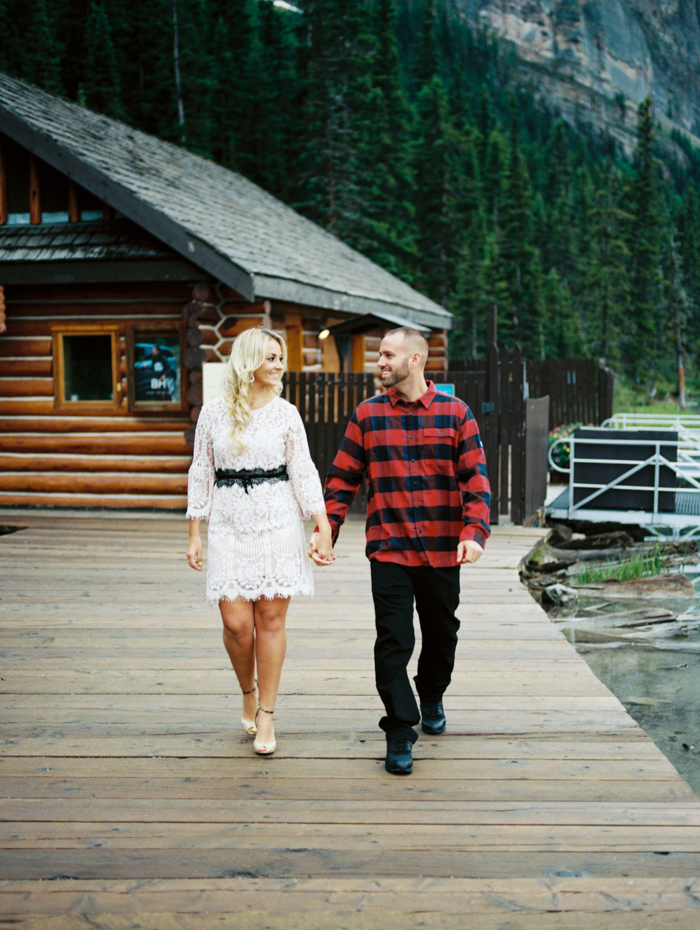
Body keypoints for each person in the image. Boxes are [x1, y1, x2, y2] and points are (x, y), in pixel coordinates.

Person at [309, 327, 490, 775]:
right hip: (389, 548)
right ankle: (399, 730)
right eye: (379, 355)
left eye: (388, 355)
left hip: (443, 550)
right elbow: (342, 478)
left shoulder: (456, 414)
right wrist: (327, 529)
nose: (380, 363)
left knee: (442, 634)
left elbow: (476, 480)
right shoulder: (367, 415)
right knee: (393, 641)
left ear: (415, 360)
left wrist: (474, 533)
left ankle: (431, 694)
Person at [186, 327, 333, 756]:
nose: (279, 364)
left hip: (277, 522)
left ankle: (266, 713)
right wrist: (195, 531)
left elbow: (303, 470)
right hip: (229, 524)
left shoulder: (287, 414)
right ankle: (247, 690)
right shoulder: (213, 414)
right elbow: (200, 470)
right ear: (248, 361)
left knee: (269, 621)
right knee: (235, 623)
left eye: (280, 356)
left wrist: (321, 525)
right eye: (270, 357)